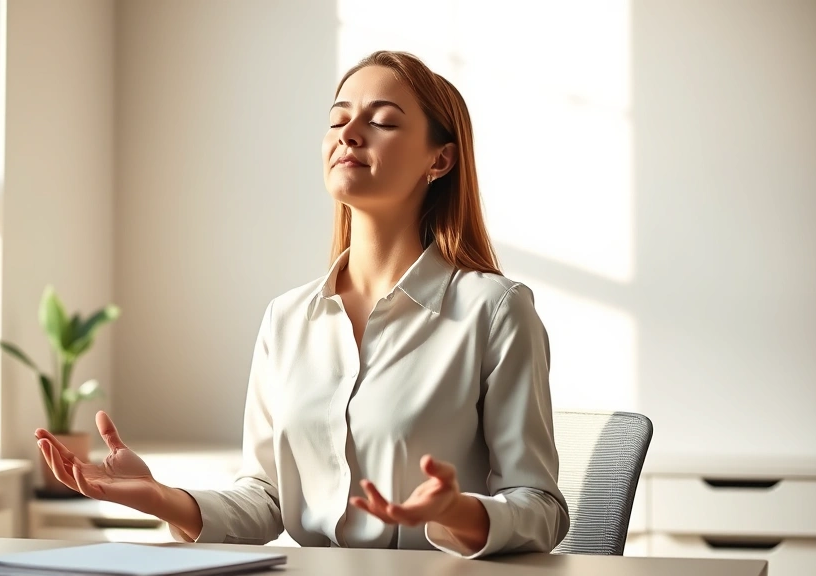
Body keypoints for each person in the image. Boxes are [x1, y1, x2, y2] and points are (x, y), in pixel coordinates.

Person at [36, 50, 570, 559]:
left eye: (382, 121)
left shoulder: (495, 312)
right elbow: (265, 499)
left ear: (441, 158)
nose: (349, 135)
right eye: (338, 121)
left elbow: (541, 510)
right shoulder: (287, 319)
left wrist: (456, 512)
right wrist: (160, 497)